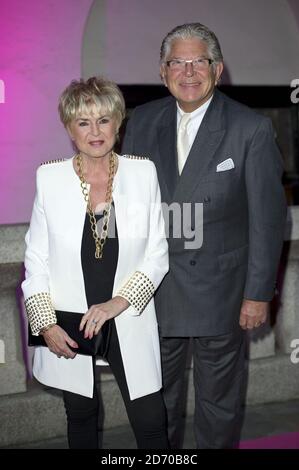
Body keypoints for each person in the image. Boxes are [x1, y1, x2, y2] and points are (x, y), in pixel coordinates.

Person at [122, 23, 287, 448]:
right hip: (153, 290)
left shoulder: (249, 127)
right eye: (178, 62)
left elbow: (268, 220)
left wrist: (257, 293)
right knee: (156, 399)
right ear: (162, 72)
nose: (189, 71)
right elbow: (131, 203)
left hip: (223, 292)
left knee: (219, 404)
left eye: (200, 62)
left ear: (218, 69)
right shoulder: (141, 120)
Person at [22, 76, 169, 449]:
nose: (95, 131)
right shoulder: (50, 178)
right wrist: (45, 324)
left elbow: (157, 252)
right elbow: (35, 258)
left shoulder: (142, 172)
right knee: (82, 415)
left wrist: (117, 303)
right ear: (70, 129)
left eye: (103, 119)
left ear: (118, 122)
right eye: (83, 122)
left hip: (126, 315)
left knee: (151, 421)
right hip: (70, 320)